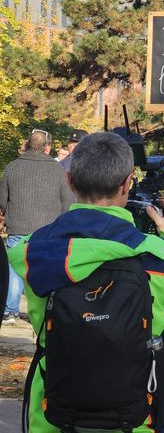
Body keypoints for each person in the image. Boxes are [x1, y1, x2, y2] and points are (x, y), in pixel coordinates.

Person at [7, 132, 164, 432]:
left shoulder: (33, 251)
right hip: (139, 420)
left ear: (70, 181)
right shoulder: (155, 254)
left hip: (53, 418)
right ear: (127, 183)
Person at [1, 129, 74, 325]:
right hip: (48, 229)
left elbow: (2, 199)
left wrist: (7, 213)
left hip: (18, 226)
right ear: (47, 148)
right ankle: (44, 311)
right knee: (45, 269)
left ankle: (10, 312)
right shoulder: (58, 170)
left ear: (28, 144)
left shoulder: (13, 167)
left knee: (14, 268)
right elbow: (68, 202)